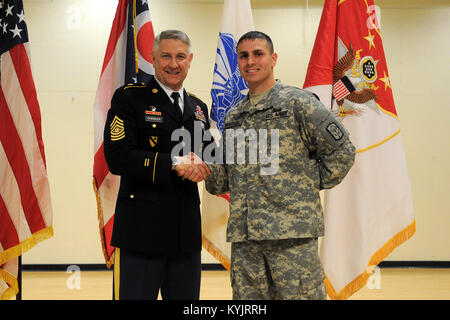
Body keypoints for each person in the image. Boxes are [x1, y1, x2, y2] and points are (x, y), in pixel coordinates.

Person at [205, 31, 356, 300]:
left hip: (292, 239)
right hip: (246, 242)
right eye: (243, 56)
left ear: (273, 59)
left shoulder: (298, 104)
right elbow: (224, 177)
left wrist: (308, 183)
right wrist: (204, 168)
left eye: (258, 54)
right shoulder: (234, 117)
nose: (250, 61)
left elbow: (342, 151)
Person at [103, 30, 211, 300]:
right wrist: (174, 162)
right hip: (141, 234)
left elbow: (207, 155)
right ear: (152, 58)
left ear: (190, 60)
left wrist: (207, 164)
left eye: (180, 57)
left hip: (185, 236)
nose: (173, 64)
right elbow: (118, 157)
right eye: (165, 56)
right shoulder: (130, 98)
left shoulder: (198, 107)